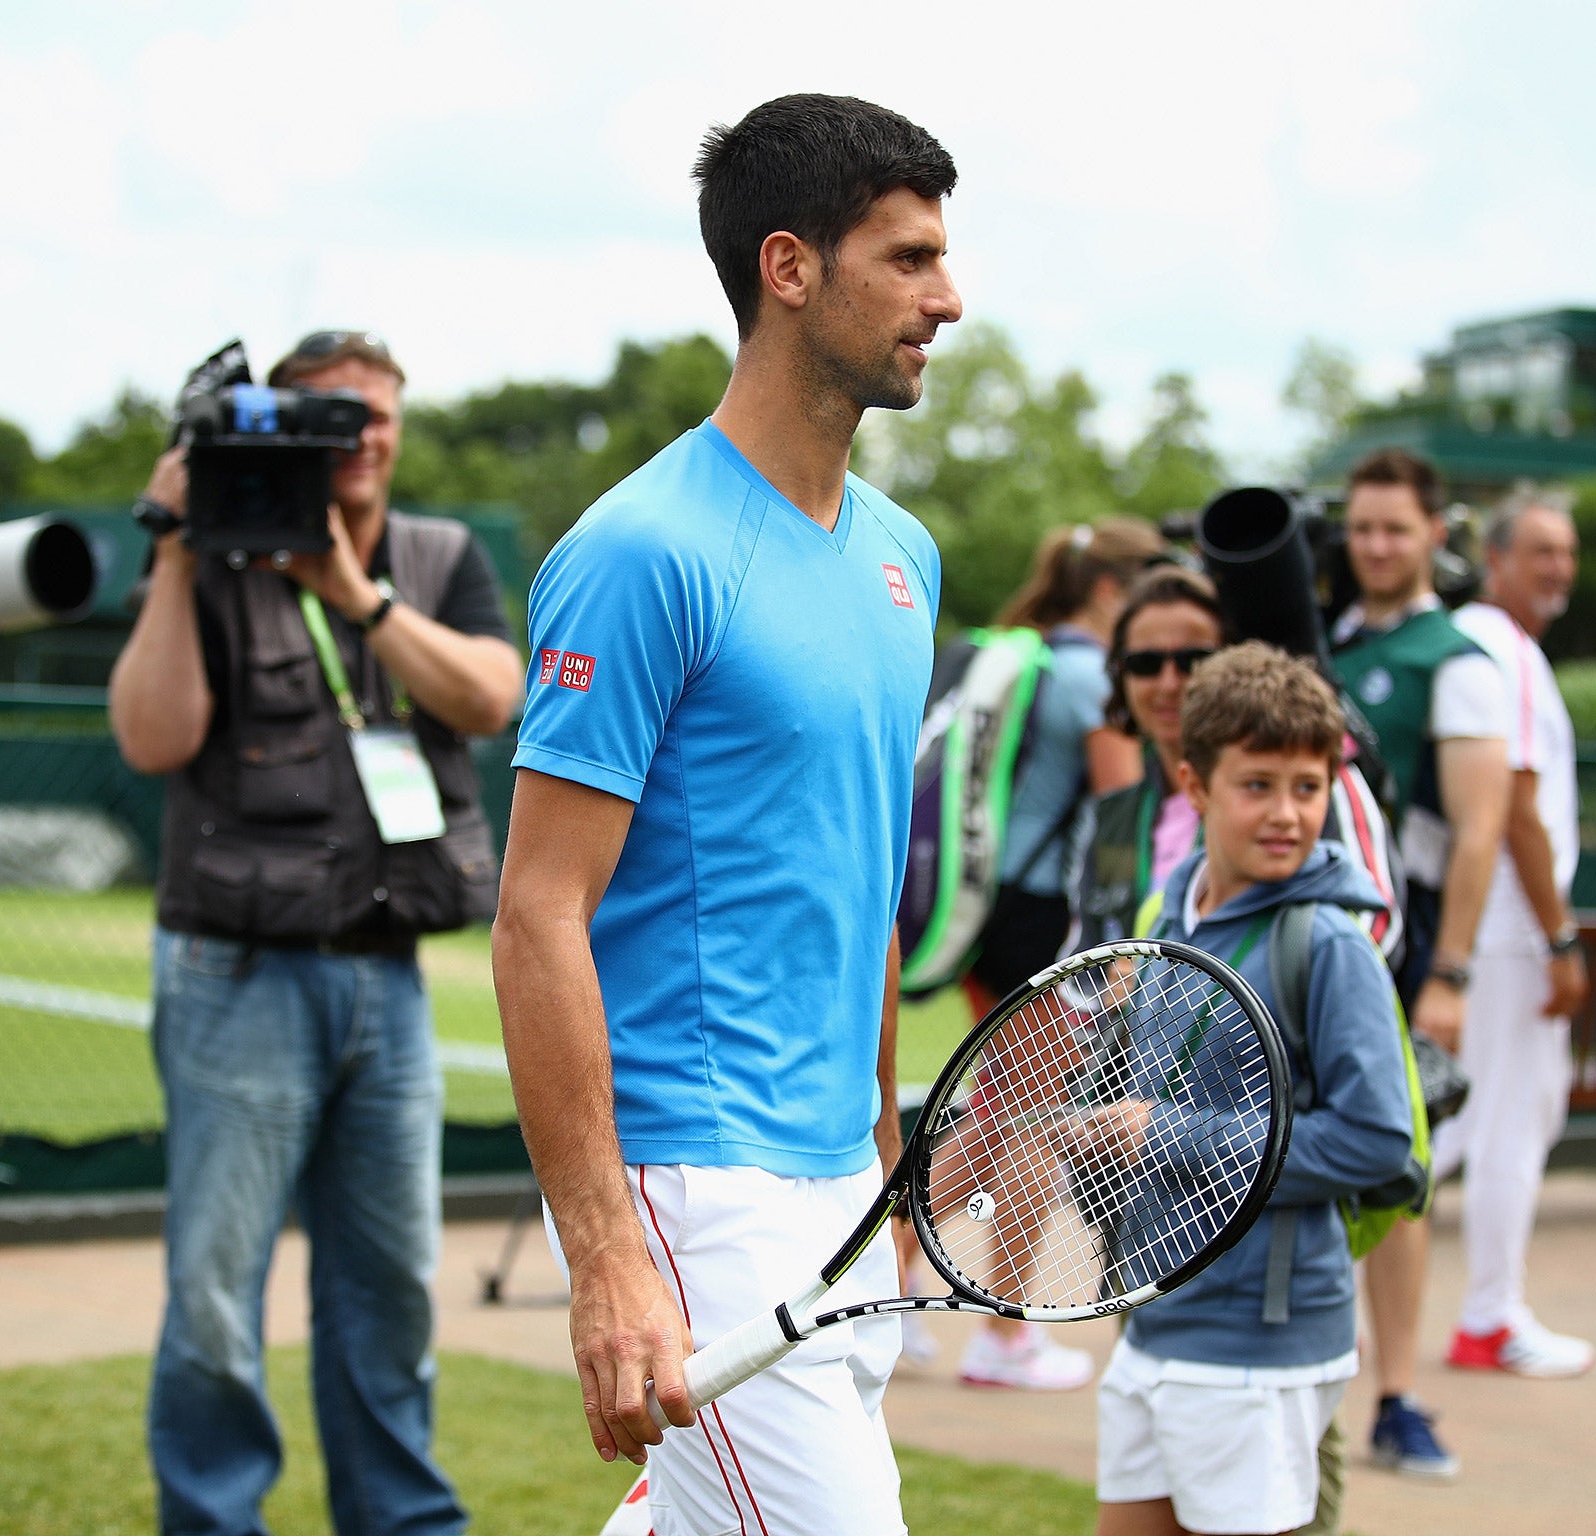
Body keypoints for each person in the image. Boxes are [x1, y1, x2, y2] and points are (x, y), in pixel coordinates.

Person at [492, 94, 959, 1536]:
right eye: (909, 257)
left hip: (839, 1183)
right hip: (698, 1186)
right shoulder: (640, 552)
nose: (947, 299)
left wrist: (883, 1155)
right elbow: (537, 913)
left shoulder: (906, 557)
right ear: (789, 267)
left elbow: (864, 880)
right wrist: (608, 1256)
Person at [108, 330, 521, 1536]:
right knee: (215, 1294)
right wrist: (179, 551)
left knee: (388, 1290)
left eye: (379, 414)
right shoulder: (217, 553)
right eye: (333, 416)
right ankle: (214, 1519)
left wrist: (360, 597)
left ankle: (398, 1523)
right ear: (275, 424)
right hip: (235, 970)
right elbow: (151, 736)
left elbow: (491, 696)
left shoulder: (436, 557)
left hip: (382, 975)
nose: (362, 437)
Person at [1093, 642, 1414, 1536]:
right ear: (1194, 786)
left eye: (1307, 788)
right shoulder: (1174, 913)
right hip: (1156, 1324)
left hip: (1256, 1350)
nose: (1287, 815)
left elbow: (1373, 1140)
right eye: (1258, 785)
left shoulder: (1331, 944)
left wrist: (1163, 1135)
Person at [946, 516, 1163, 1394]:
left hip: (979, 914)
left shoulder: (1029, 658)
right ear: (1112, 590)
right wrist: (1119, 949)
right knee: (1032, 1121)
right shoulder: (1092, 679)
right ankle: (1005, 1335)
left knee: (997, 1115)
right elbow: (1122, 822)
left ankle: (885, 1271)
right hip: (1043, 925)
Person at [1329, 447, 1510, 1480]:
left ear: (1434, 534)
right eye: (1362, 528)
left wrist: (1447, 975)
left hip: (1403, 956)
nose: (1376, 547)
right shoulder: (1336, 643)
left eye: (1395, 528)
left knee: (1393, 1171)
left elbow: (1478, 832)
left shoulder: (1457, 662)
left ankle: (1395, 1394)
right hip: (1320, 946)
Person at [1436, 489, 1594, 1377]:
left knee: (1470, 1124)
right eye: (1541, 550)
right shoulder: (1505, 651)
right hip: (1507, 932)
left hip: (1497, 928)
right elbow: (1522, 810)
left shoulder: (1491, 645)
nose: (1558, 568)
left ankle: (1487, 1310)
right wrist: (1560, 937)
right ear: (1494, 558)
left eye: (1565, 552)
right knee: (1509, 1123)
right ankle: (1492, 1315)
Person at [1070, 565, 1228, 953]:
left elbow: (1368, 927)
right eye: (1145, 663)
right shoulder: (1108, 818)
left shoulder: (1286, 791)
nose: (1169, 683)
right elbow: (1079, 960)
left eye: (1193, 660)